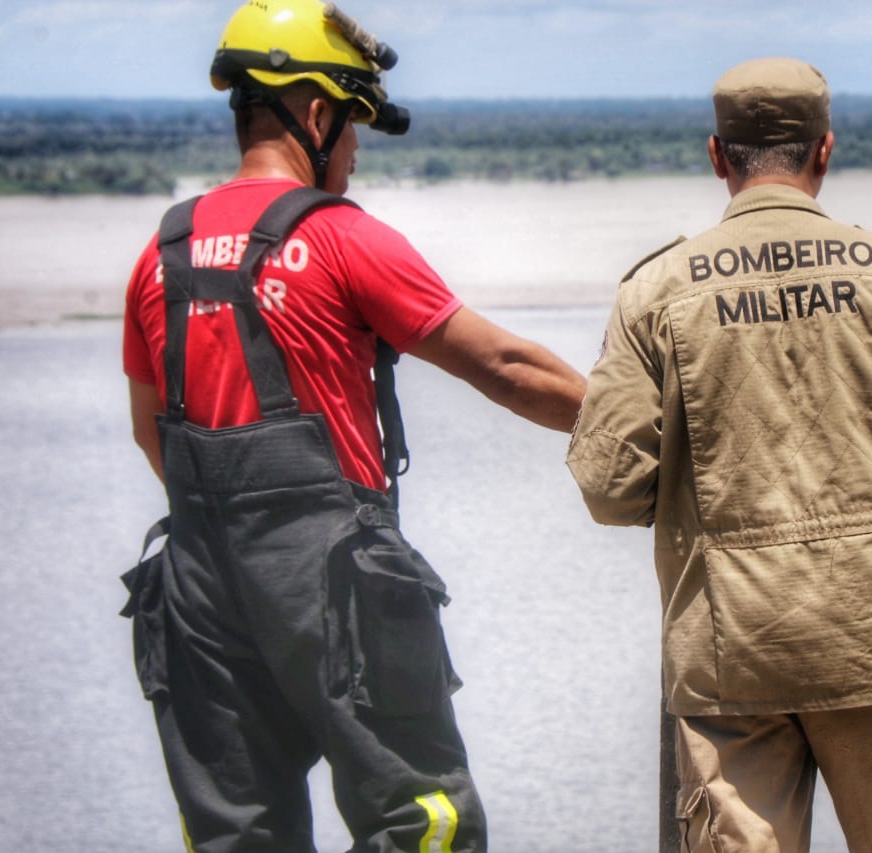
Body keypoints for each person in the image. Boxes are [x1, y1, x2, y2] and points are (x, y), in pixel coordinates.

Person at [119, 1, 585, 850]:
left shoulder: (161, 254)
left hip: (196, 587)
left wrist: (236, 533)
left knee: (235, 834)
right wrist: (645, 425)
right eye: (356, 126)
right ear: (319, 113)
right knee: (423, 820)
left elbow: (152, 435)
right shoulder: (341, 238)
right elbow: (506, 368)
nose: (358, 151)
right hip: (332, 582)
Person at [566, 57, 872, 852]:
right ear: (825, 150)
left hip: (725, 659)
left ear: (717, 155)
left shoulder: (653, 292)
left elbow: (610, 487)